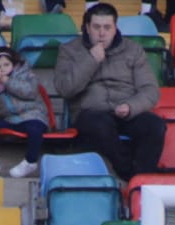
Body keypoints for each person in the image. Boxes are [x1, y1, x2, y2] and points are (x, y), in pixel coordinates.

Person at [54, 2, 165, 181]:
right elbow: (65, 88)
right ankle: (130, 175)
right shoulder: (69, 51)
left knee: (155, 126)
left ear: (115, 28)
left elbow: (150, 90)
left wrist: (131, 106)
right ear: (87, 28)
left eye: (107, 27)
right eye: (97, 27)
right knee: (100, 125)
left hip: (126, 111)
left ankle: (142, 180)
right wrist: (91, 60)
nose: (102, 33)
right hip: (91, 113)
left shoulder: (133, 50)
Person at [0, 48, 50, 179]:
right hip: (11, 120)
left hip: (32, 116)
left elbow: (30, 92)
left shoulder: (25, 75)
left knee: (35, 130)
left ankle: (30, 161)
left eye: (6, 65)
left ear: (13, 64)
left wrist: (8, 82)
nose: (2, 69)